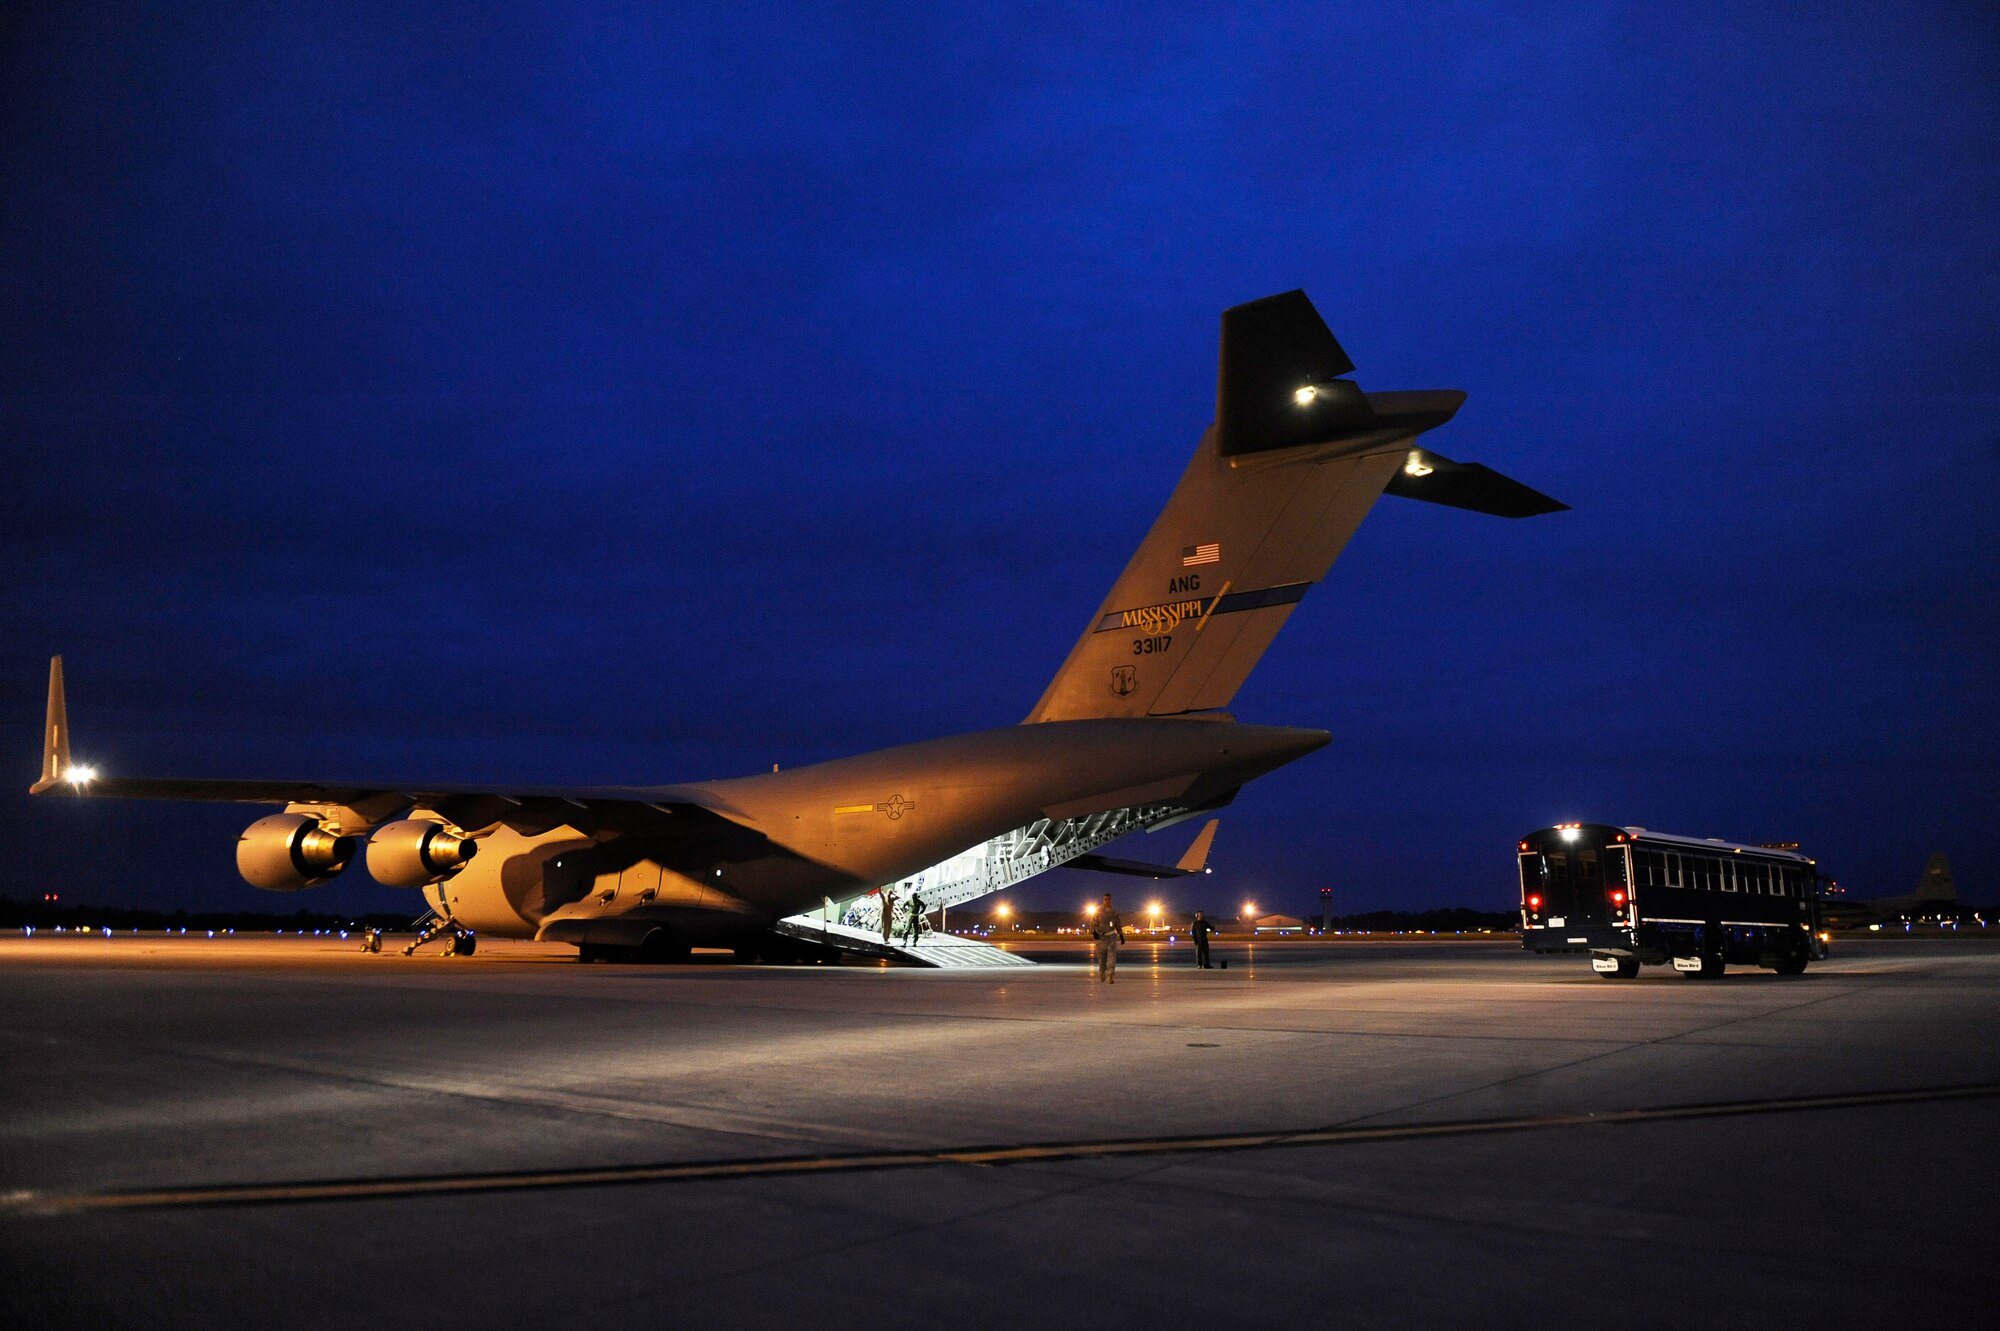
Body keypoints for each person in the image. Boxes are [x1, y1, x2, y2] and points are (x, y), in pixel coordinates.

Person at [1089, 893, 1124, 983]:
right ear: (1103, 900)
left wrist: (1121, 935)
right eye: (1105, 899)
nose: (1107, 901)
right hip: (1101, 938)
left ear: (1110, 900)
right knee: (1102, 959)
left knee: (1112, 957)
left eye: (1108, 899)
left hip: (1111, 937)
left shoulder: (1114, 912)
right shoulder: (1098, 911)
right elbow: (1093, 922)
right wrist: (1093, 932)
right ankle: (1102, 971)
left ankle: (1110, 975)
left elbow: (1118, 924)